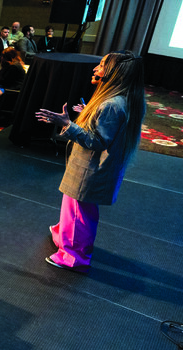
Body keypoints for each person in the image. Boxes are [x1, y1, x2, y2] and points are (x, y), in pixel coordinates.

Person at [35, 51, 146, 272]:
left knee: (79, 213)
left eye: (102, 65)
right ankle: (63, 236)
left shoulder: (112, 105)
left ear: (115, 73)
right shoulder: (120, 100)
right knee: (74, 208)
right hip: (91, 167)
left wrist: (67, 123)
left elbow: (96, 141)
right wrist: (89, 113)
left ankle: (73, 256)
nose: (95, 68)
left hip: (91, 169)